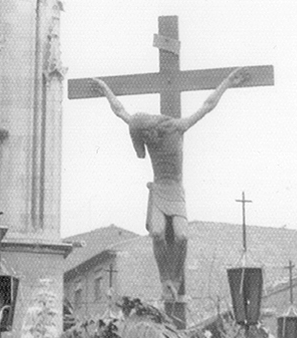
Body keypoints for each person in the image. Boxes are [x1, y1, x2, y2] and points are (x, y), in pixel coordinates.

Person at [93, 68, 248, 300]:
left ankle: (175, 277)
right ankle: (165, 279)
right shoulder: (143, 131)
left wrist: (227, 82)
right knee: (156, 232)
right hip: (158, 189)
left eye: (147, 137)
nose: (147, 142)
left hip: (175, 191)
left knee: (181, 235)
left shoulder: (178, 127)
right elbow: (121, 112)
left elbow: (207, 105)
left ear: (153, 130)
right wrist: (106, 91)